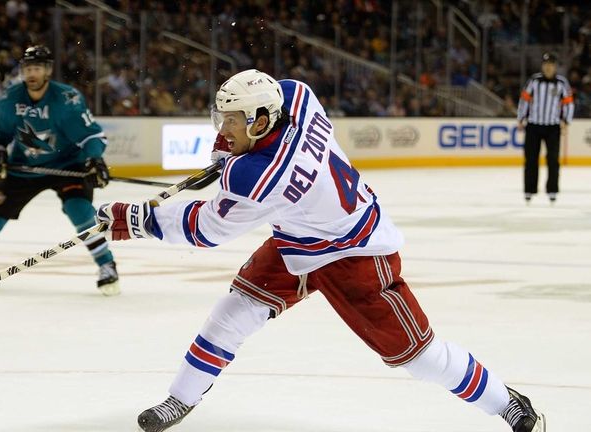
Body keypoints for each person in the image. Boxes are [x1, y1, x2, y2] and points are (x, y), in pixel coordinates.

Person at [96, 69, 546, 432]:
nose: (223, 127)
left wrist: (133, 219)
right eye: (222, 118)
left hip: (357, 254)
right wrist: (227, 154)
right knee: (233, 314)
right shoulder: (297, 98)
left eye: (231, 121)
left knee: (420, 358)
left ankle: (507, 403)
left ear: (258, 121)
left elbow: (207, 228)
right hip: (299, 239)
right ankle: (181, 397)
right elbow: (274, 102)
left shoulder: (258, 177)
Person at [0, 45, 120, 296]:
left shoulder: (67, 100)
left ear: (47, 70)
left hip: (68, 164)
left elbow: (92, 136)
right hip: (23, 167)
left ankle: (106, 265)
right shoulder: (10, 97)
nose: (32, 73)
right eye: (28, 68)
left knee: (79, 210)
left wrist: (94, 159)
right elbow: (1, 131)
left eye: (37, 68)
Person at [517, 52, 574, 204]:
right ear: (543, 66)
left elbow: (569, 103)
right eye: (546, 64)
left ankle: (552, 190)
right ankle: (529, 190)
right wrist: (521, 118)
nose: (548, 67)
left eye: (551, 65)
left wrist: (566, 122)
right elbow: (524, 100)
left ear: (555, 67)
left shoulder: (562, 83)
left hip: (553, 127)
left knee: (553, 160)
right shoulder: (534, 81)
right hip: (534, 125)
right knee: (531, 159)